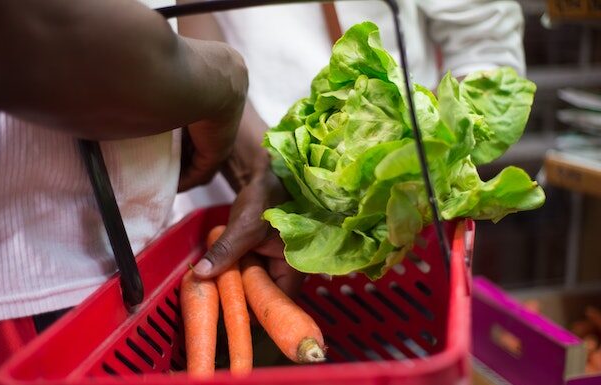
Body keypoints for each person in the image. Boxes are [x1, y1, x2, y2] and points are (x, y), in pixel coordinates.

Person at [0, 0, 285, 383]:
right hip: (11, 298)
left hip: (142, 263)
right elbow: (26, 38)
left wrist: (252, 160)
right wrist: (225, 80)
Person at [175, 0, 527, 277]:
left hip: (410, 233)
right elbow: (183, 19)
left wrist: (416, 158)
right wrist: (261, 168)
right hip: (233, 193)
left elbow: (486, 50)